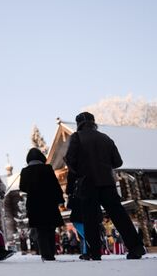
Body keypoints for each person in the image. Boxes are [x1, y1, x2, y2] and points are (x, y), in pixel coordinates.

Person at [65, 112, 146, 260]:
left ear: (79, 124)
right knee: (119, 215)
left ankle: (94, 252)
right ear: (93, 122)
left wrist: (80, 171)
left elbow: (70, 161)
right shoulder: (105, 138)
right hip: (107, 183)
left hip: (87, 183)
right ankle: (136, 247)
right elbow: (118, 162)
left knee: (90, 218)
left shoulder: (76, 137)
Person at [19, 148, 64, 261]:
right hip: (49, 203)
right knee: (50, 229)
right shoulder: (47, 168)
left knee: (41, 230)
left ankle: (46, 254)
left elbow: (22, 187)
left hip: (34, 204)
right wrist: (60, 200)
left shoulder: (25, 171)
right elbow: (55, 185)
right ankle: (52, 253)